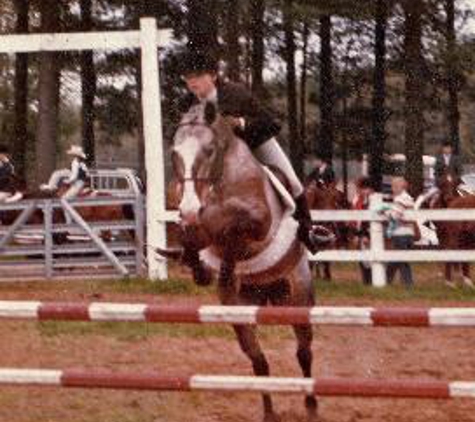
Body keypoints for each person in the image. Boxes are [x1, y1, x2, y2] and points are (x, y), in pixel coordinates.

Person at [178, 51, 319, 253]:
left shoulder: (236, 93)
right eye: (188, 78)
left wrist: (241, 122)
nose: (192, 82)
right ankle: (189, 240)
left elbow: (271, 123)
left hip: (254, 143)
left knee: (293, 182)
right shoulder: (187, 103)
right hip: (216, 155)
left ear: (213, 76)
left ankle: (308, 233)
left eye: (198, 76)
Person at [383, 177, 415, 287]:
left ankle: (407, 284)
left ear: (400, 187)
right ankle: (387, 280)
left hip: (401, 233)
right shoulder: (409, 198)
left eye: (394, 186)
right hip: (409, 233)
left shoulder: (400, 199)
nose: (393, 189)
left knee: (400, 259)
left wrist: (385, 212)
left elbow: (395, 215)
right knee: (398, 259)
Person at [351, 177, 374, 285]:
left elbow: (367, 219)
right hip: (361, 232)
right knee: (362, 259)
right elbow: (357, 219)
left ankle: (370, 281)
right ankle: (367, 281)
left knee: (369, 260)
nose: (356, 190)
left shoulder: (370, 198)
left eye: (358, 187)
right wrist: (356, 234)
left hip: (368, 233)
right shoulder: (358, 199)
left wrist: (365, 235)